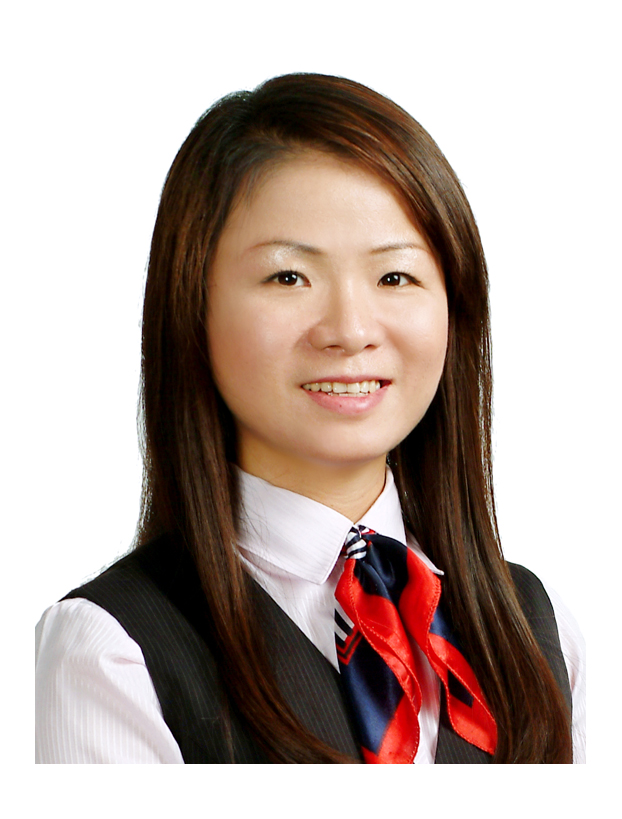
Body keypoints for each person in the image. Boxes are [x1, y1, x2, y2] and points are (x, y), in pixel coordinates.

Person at [35, 73, 585, 764]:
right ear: (192, 307)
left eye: (395, 277)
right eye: (288, 277)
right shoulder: (114, 651)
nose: (350, 330)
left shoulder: (540, 632)